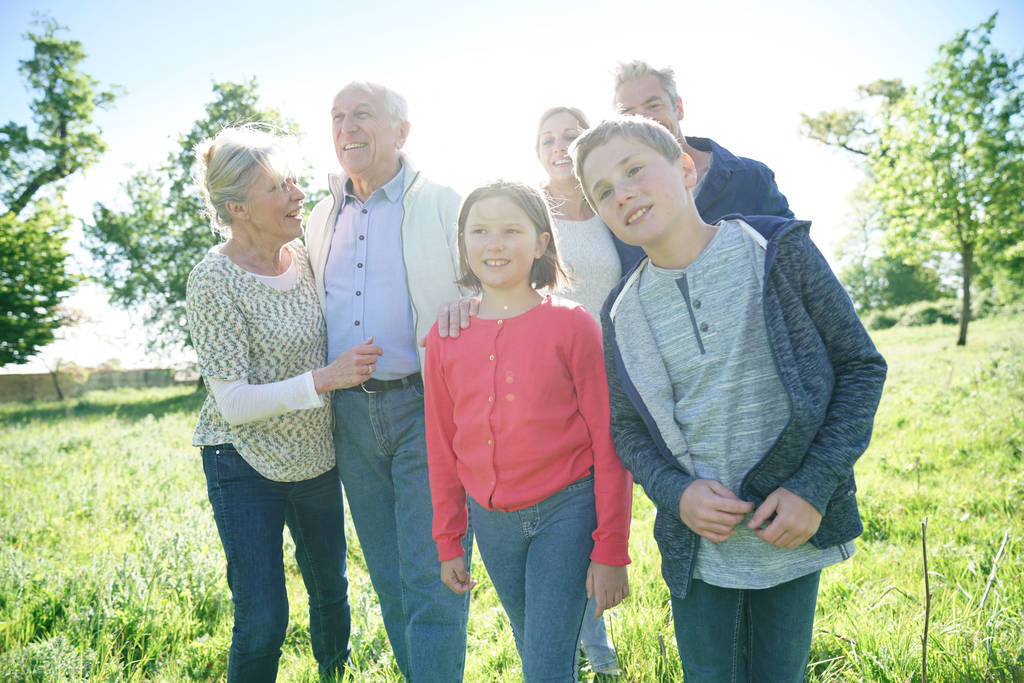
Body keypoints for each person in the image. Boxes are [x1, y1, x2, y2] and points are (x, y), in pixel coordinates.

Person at [570, 116, 886, 681]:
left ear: (686, 168)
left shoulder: (778, 251)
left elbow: (860, 368)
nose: (623, 193)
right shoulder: (620, 312)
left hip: (790, 530)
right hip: (699, 547)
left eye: (635, 169)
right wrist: (678, 494)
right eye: (604, 191)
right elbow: (628, 431)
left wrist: (812, 487)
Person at [186, 125, 379, 681]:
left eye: (294, 181)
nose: (297, 195)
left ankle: (334, 674)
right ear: (237, 207)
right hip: (242, 460)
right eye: (278, 187)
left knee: (331, 591)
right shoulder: (213, 280)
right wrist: (324, 380)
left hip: (314, 456)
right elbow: (232, 402)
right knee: (263, 616)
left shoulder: (305, 255)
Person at [424, 180, 634, 682]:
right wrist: (449, 539)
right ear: (462, 243)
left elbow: (609, 442)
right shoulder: (446, 336)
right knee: (537, 653)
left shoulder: (573, 325)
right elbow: (442, 446)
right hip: (492, 524)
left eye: (511, 230)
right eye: (479, 231)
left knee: (544, 669)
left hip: (566, 511)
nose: (494, 244)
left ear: (541, 242)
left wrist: (611, 546)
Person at [304, 81, 470, 681]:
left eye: (362, 115)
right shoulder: (320, 216)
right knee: (390, 577)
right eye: (337, 116)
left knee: (434, 572)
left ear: (401, 131)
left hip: (424, 406)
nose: (347, 127)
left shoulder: (444, 203)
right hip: (349, 416)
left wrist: (470, 308)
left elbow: (484, 284)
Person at [536, 106, 623, 675]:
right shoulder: (531, 210)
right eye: (547, 138)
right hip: (553, 381)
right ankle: (592, 648)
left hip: (617, 376)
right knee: (574, 511)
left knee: (609, 503)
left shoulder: (610, 203)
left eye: (570, 135)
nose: (559, 146)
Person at [613, 60, 793, 232]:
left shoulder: (752, 177)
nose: (642, 120)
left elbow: (793, 246)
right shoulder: (619, 202)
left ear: (678, 108)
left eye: (653, 105)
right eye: (628, 114)